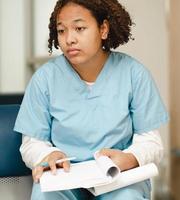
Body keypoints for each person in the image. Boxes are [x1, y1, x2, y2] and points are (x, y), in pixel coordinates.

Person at [14, 0, 169, 199]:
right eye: (61, 31)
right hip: (64, 177)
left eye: (79, 28)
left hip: (118, 177)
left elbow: (151, 142)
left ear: (103, 29)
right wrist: (46, 156)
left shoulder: (134, 75)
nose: (69, 39)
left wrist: (130, 158)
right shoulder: (44, 80)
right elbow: (32, 143)